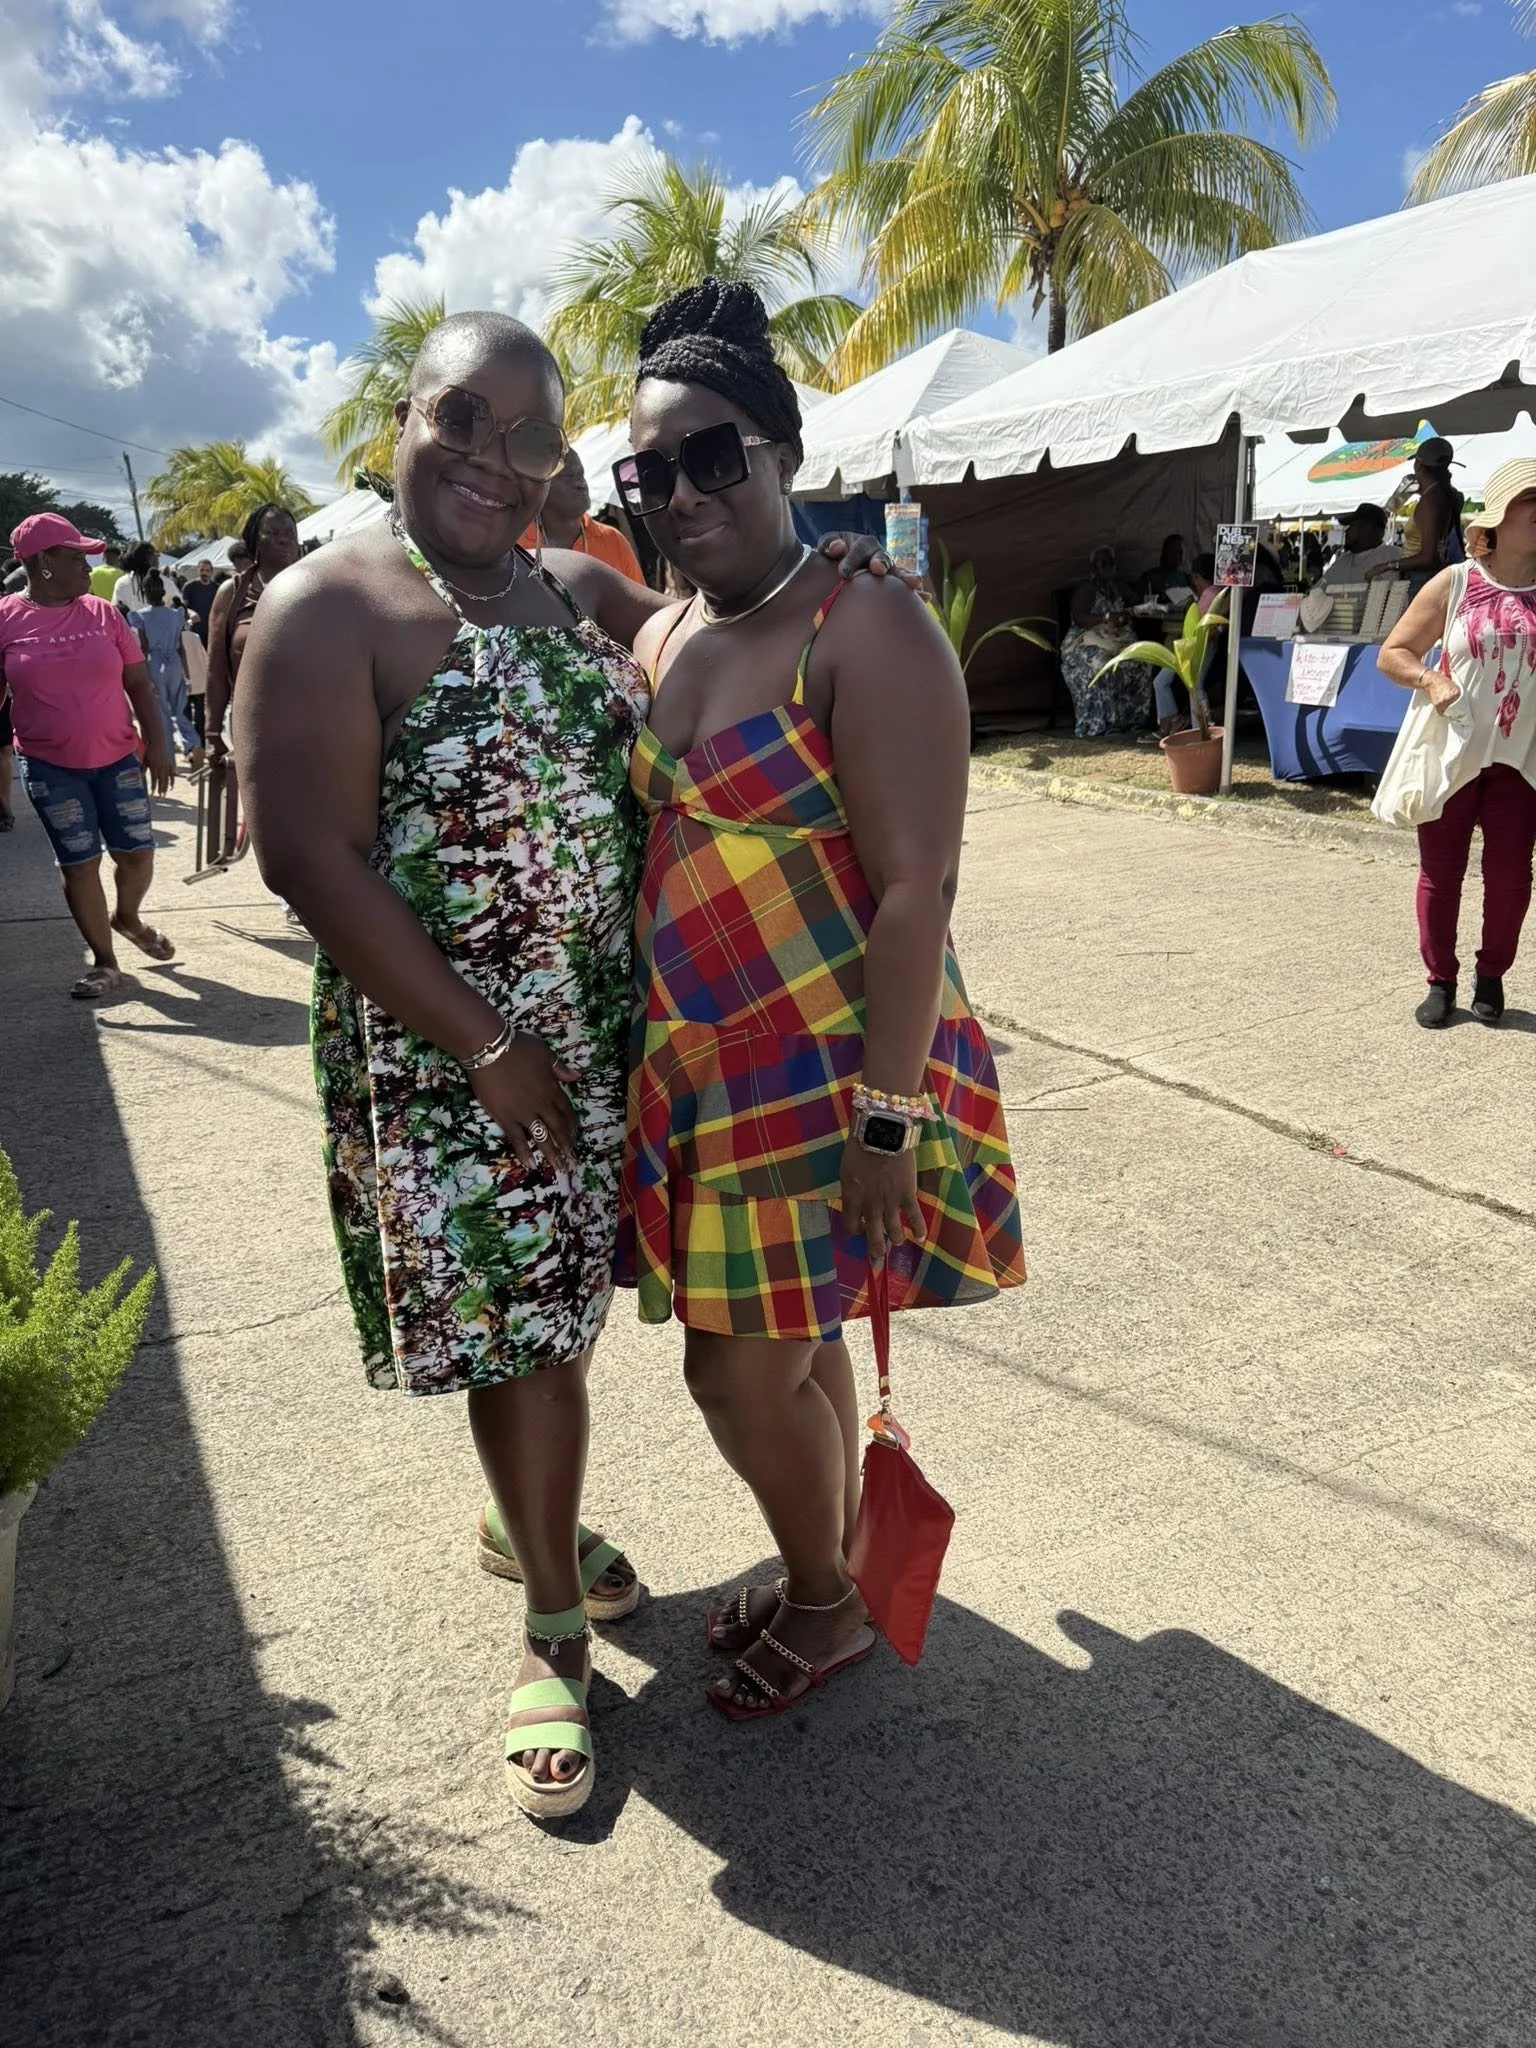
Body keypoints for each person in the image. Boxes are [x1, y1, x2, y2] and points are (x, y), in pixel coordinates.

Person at [237, 309, 903, 1821]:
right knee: (527, 1344)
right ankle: (552, 1628)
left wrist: (842, 573)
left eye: (531, 434)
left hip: (618, 1044)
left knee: (561, 1315)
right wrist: (486, 1045)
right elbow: (306, 860)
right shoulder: (327, 606)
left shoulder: (577, 588)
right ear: (401, 423)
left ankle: (520, 1518)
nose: (493, 457)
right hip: (460, 1058)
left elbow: (738, 626)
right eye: (460, 419)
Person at [614, 279, 1025, 1723]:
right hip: (706, 1074)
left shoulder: (866, 624)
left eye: (711, 455)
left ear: (783, 452)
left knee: (732, 1376)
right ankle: (832, 1550)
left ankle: (826, 1599)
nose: (681, 492)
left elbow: (918, 890)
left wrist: (889, 1121)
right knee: (803, 1339)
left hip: (837, 1071)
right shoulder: (667, 633)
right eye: (650, 472)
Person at [1378, 458, 1536, 1027]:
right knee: (1441, 874)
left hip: (1522, 760)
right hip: (1452, 752)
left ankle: (1491, 974)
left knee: (1512, 879)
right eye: (1531, 499)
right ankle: (1439, 981)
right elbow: (1392, 653)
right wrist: (1431, 679)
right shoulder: (1457, 582)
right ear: (1497, 518)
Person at [0, 515, 176, 998]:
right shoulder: (5, 619)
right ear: (43, 562)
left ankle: (128, 917)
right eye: (76, 557)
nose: (88, 566)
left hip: (118, 758)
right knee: (78, 863)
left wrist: (158, 743)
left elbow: (137, 682)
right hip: (49, 766)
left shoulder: (103, 613)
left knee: (137, 856)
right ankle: (105, 961)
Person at [203, 505, 302, 858]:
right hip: (257, 725)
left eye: (289, 533)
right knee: (271, 816)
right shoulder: (232, 593)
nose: (284, 540)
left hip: (314, 721)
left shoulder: (320, 584)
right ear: (253, 540)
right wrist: (212, 733)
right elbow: (216, 668)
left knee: (314, 814)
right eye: (273, 533)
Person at [1059, 545, 1157, 738]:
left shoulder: (1118, 587)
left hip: (1114, 639)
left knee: (1142, 663)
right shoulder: (1086, 589)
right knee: (1101, 664)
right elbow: (1079, 618)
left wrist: (1132, 610)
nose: (1107, 568)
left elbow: (1134, 603)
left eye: (1110, 564)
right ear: (1093, 568)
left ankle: (1133, 720)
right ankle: (1103, 723)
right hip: (1086, 640)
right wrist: (1104, 618)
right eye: (1102, 564)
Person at [517, 447, 646, 584]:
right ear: (540, 486)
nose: (581, 484)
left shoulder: (612, 540)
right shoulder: (516, 547)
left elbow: (638, 595)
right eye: (569, 476)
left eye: (581, 474)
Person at [131, 570, 203, 769]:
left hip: (155, 664)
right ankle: (193, 743)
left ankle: (169, 759)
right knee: (180, 710)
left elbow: (144, 648)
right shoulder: (176, 614)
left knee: (162, 714)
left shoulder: (140, 616)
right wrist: (187, 676)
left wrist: (145, 676)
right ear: (163, 593)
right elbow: (181, 647)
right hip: (175, 663)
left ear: (145, 593)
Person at [1377, 438, 1465, 594]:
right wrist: (1421, 490)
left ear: (1419, 465)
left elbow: (1428, 558)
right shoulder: (1446, 495)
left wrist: (1387, 566)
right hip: (1430, 577)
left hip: (1421, 579)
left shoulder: (1431, 501)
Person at [1323, 503, 1402, 585]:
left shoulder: (1395, 555)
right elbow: (1319, 588)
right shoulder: (1341, 561)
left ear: (1368, 528)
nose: (1346, 531)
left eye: (1352, 526)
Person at [112, 540, 156, 615]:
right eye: (153, 554)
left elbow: (116, 610)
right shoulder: (163, 581)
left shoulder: (121, 582)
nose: (156, 558)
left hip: (130, 622)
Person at [181, 557, 218, 643]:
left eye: (207, 570)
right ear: (198, 570)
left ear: (211, 572)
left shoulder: (216, 588)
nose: (204, 573)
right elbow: (183, 607)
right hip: (194, 629)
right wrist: (191, 614)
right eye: (202, 570)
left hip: (210, 629)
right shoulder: (189, 586)